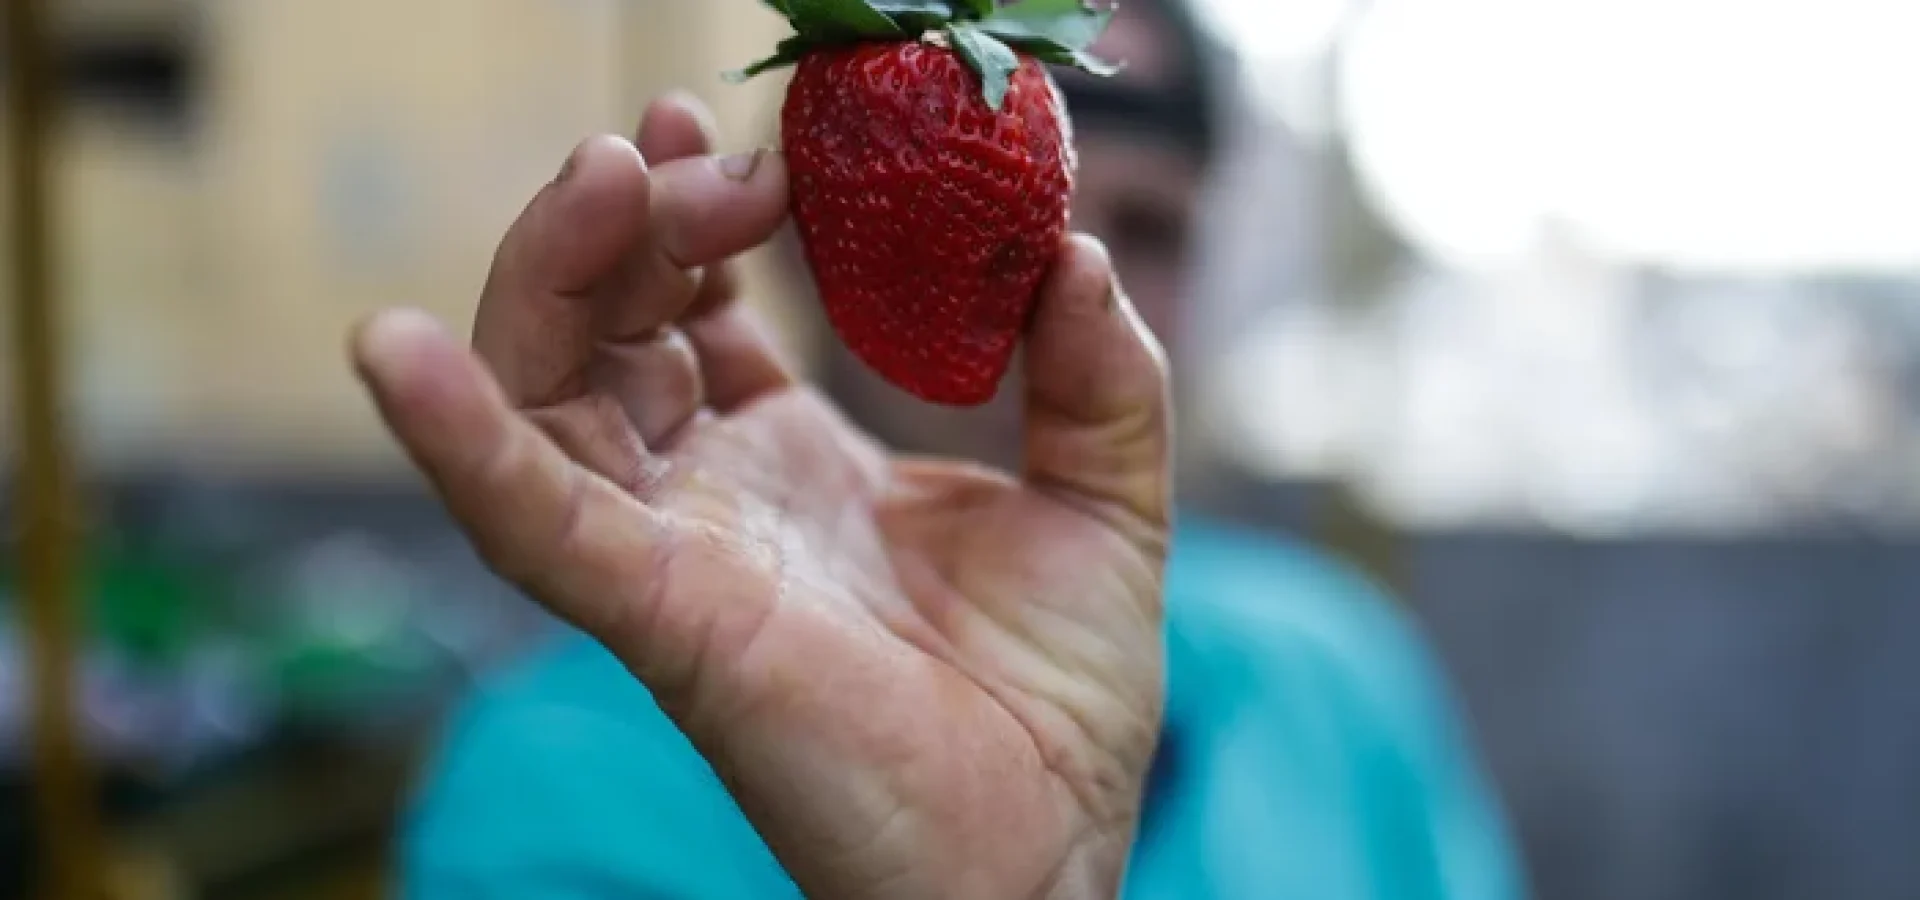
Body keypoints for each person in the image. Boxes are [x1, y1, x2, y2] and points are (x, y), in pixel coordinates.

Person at [357, 1, 1527, 896]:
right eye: (1014, 226)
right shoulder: (552, 779)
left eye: (1151, 232)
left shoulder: (1341, 672)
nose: (1060, 286)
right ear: (795, 243)